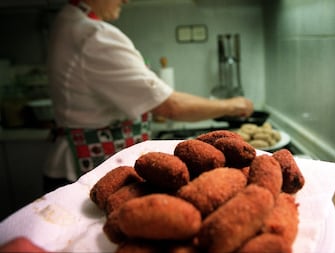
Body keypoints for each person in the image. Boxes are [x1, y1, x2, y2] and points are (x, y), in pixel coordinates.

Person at [43, 0, 254, 193]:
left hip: (85, 165)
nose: (126, 0)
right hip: (85, 170)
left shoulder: (68, 22)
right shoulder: (92, 35)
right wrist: (234, 105)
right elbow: (169, 106)